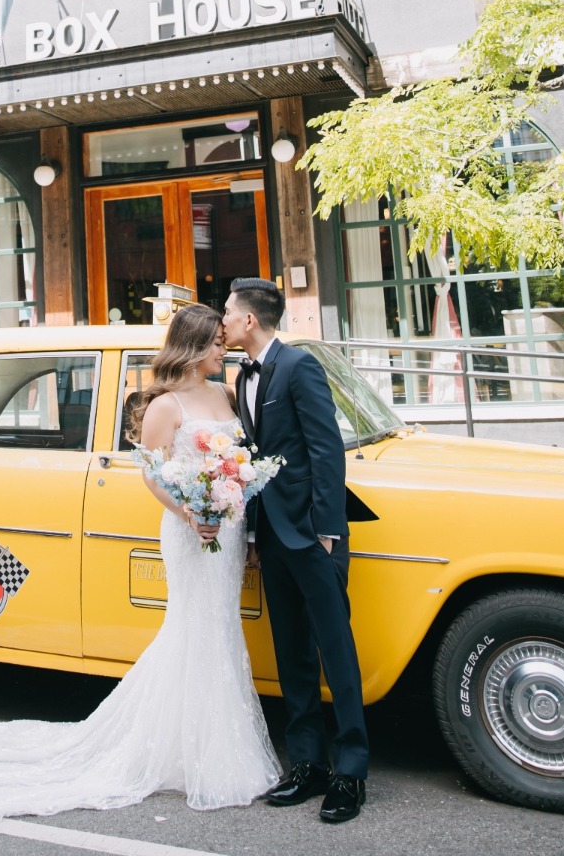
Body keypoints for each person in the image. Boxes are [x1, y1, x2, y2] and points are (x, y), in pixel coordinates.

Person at [0, 303, 280, 818]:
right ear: (196, 347)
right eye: (218, 342)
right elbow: (154, 475)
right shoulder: (166, 406)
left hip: (228, 531)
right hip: (190, 532)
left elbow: (239, 458)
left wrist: (233, 501)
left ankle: (205, 749)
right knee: (194, 629)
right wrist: (192, 512)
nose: (226, 349)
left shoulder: (225, 393)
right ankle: (193, 756)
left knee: (219, 630)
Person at [222, 277, 369, 824]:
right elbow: (256, 457)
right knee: (292, 654)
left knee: (336, 651)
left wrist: (328, 528)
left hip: (312, 534)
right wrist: (256, 535)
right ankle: (307, 764)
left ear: (250, 321)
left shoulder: (298, 366)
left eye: (228, 313)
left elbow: (326, 450)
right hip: (272, 538)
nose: (224, 321)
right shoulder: (242, 374)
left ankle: (351, 773)